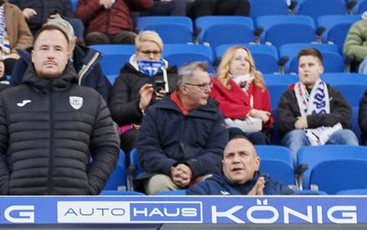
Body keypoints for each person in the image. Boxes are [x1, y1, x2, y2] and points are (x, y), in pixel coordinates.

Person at [0, 20, 121, 193]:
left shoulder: (92, 99)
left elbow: (108, 148)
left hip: (74, 201)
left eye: (57, 49)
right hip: (22, 201)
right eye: (44, 48)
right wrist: (7, 188)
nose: (51, 55)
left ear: (68, 55)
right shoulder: (7, 99)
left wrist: (89, 188)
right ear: (33, 55)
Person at [136, 60, 229, 192]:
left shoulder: (214, 114)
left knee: (212, 186)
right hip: (163, 173)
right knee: (158, 185)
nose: (209, 90)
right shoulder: (156, 112)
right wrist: (171, 167)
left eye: (210, 84)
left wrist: (191, 168)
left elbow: (218, 152)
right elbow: (147, 150)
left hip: (202, 173)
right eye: (202, 86)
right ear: (184, 88)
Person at [274, 48, 359, 152]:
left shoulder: (332, 93)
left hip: (329, 136)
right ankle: (299, 163)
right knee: (296, 135)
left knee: (347, 135)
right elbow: (283, 122)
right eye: (302, 66)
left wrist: (309, 121)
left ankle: (353, 162)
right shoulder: (289, 95)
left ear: (321, 69)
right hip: (302, 137)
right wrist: (296, 124)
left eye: (310, 65)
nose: (306, 69)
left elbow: (344, 117)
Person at [109, 29, 175, 152]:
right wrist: (139, 105)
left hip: (170, 127)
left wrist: (169, 100)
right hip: (137, 130)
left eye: (156, 52)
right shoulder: (125, 78)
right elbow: (116, 113)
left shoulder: (173, 76)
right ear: (137, 53)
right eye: (146, 52)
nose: (151, 56)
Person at [186, 133, 295, 193]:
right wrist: (247, 204)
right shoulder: (204, 191)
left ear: (256, 163)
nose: (236, 160)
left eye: (243, 154)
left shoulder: (277, 191)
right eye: (230, 156)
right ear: (223, 165)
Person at [209, 45, 273, 145]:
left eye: (246, 60)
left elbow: (267, 115)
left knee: (258, 137)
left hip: (254, 129)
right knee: (236, 133)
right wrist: (250, 112)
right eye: (238, 59)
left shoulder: (259, 85)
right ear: (228, 63)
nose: (243, 63)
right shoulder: (216, 83)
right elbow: (218, 106)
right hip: (228, 129)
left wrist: (266, 119)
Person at [76, 0, 150, 44]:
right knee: (93, 38)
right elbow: (79, 16)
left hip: (122, 32)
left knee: (131, 38)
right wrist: (98, 3)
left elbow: (147, 4)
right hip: (98, 32)